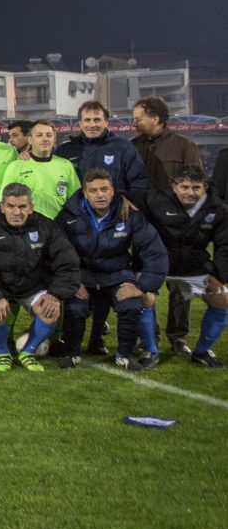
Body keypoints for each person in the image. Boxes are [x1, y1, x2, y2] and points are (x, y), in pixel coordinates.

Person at [54, 169, 168, 370]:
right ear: (85, 193)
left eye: (104, 189)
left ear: (113, 190)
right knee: (75, 306)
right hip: (83, 276)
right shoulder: (68, 216)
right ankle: (72, 353)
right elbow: (56, 252)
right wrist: (71, 281)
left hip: (117, 275)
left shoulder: (130, 215)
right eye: (94, 190)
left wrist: (141, 286)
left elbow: (154, 252)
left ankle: (123, 355)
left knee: (130, 305)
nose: (100, 195)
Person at [0, 183, 81, 372]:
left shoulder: (46, 227)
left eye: (22, 206)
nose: (16, 212)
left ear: (31, 207)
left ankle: (27, 352)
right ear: (2, 207)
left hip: (32, 286)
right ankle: (2, 353)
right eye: (10, 206)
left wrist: (55, 294)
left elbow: (68, 263)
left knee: (51, 311)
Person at [131, 166, 228, 366]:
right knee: (142, 296)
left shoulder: (217, 208)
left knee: (223, 299)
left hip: (194, 267)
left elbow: (225, 245)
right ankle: (150, 351)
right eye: (184, 187)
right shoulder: (155, 199)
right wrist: (123, 200)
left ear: (205, 187)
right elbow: (123, 196)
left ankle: (202, 352)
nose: (190, 192)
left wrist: (221, 276)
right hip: (158, 265)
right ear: (174, 186)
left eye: (196, 187)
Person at [55, 100, 149, 193]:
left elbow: (139, 180)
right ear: (80, 123)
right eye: (87, 120)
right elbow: (56, 183)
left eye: (97, 120)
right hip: (77, 208)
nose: (92, 125)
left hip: (116, 207)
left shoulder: (123, 148)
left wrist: (131, 200)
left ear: (106, 122)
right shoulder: (65, 151)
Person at [0, 120, 80, 219]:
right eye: (39, 135)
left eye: (49, 135)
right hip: (27, 227)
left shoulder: (66, 165)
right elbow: (4, 200)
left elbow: (74, 200)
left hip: (59, 226)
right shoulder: (16, 166)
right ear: (30, 140)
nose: (45, 138)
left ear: (54, 140)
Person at [132, 95, 201, 190]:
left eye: (138, 119)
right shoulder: (132, 146)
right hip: (140, 204)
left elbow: (196, 181)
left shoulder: (184, 145)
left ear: (155, 120)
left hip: (172, 204)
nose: (134, 124)